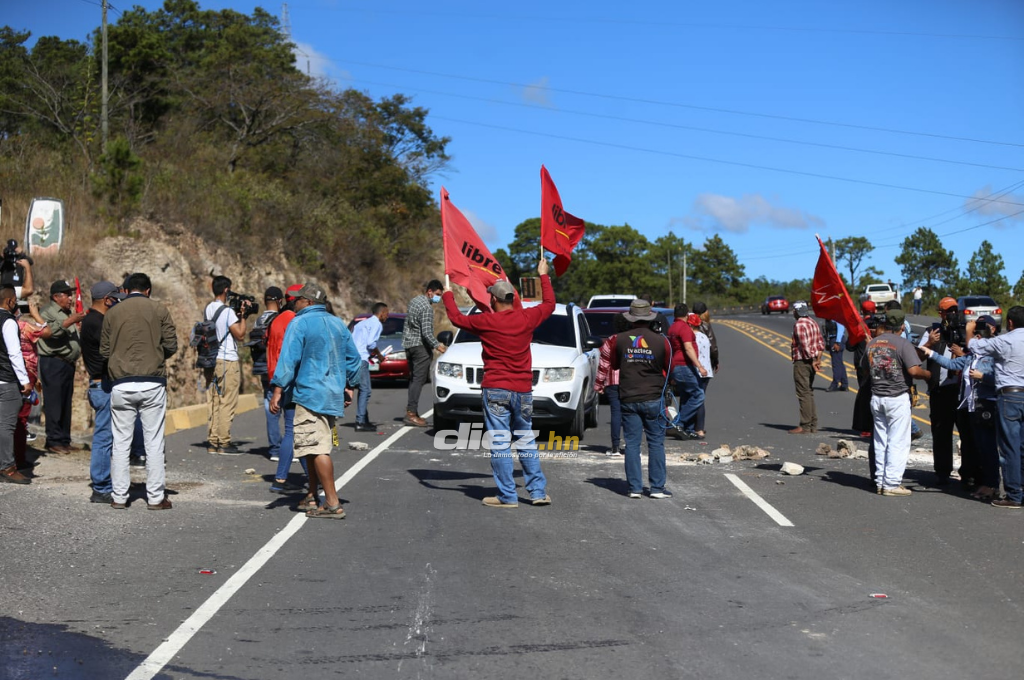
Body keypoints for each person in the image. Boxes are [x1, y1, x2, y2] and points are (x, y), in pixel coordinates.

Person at [441, 260, 556, 508]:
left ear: (493, 300)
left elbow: (456, 318)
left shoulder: (486, 322)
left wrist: (448, 293)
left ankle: (507, 496)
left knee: (500, 443)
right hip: (523, 389)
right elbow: (549, 305)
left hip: (496, 389)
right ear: (512, 299)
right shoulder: (527, 317)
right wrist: (543, 276)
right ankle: (537, 492)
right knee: (526, 439)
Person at [269, 283, 362, 519]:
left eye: (298, 300)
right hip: (331, 395)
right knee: (309, 445)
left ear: (309, 302)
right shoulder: (337, 323)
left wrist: (278, 390)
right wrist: (350, 386)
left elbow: (288, 359)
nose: (294, 303)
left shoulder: (299, 322)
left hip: (309, 394)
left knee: (317, 448)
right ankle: (312, 495)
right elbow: (354, 359)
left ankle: (332, 503)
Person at [100, 273, 177, 510]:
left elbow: (104, 351)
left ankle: (119, 497)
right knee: (153, 442)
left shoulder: (112, 313)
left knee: (120, 442)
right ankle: (155, 498)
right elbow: (171, 345)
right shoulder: (160, 309)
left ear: (125, 290)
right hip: (152, 382)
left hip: (121, 383)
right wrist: (153, 355)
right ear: (148, 290)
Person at [922, 315, 1000, 501]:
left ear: (980, 340)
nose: (969, 341)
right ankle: (983, 483)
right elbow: (950, 363)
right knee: (977, 446)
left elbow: (1000, 379)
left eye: (972, 337)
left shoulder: (991, 358)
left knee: (986, 448)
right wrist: (930, 352)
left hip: (985, 406)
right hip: (969, 407)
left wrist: (984, 377)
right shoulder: (971, 357)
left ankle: (991, 484)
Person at [863, 307, 930, 496]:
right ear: (902, 325)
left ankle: (880, 481)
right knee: (898, 442)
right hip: (897, 397)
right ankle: (891, 484)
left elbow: (865, 369)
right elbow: (914, 371)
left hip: (877, 396)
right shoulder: (903, 344)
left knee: (880, 440)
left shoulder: (873, 343)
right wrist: (927, 375)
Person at [612, 299, 674, 499]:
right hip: (653, 396)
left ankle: (634, 488)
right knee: (656, 443)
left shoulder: (619, 339)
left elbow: (614, 364)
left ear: (631, 318)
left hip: (629, 397)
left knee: (632, 444)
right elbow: (669, 367)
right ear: (650, 317)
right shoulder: (661, 340)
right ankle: (656, 488)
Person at [965, 306, 1024, 509]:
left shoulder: (1005, 340)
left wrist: (970, 329)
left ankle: (1014, 494)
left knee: (1010, 447)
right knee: (1023, 447)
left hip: (1010, 395)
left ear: (1009, 323)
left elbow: (974, 346)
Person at [80, 281, 126, 504]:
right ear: (106, 299)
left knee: (108, 437)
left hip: (103, 385)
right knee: (104, 438)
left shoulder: (94, 319)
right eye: (115, 298)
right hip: (103, 385)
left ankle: (106, 483)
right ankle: (100, 487)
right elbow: (114, 346)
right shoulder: (95, 322)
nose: (117, 301)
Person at [265, 284, 308, 494]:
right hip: (289, 381)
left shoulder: (276, 320)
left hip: (275, 378)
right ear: (296, 300)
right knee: (295, 430)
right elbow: (291, 355)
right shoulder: (295, 320)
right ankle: (282, 478)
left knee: (294, 430)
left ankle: (298, 477)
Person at [37, 279, 86, 454]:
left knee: (65, 402)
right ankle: (53, 441)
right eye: (67, 294)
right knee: (54, 402)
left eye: (71, 294)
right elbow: (51, 333)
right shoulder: (47, 312)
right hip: (53, 362)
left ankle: (64, 439)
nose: (71, 298)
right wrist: (71, 321)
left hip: (67, 363)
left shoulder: (67, 313)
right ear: (56, 297)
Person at [204, 275, 251, 455]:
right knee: (227, 402)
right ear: (226, 290)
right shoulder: (228, 312)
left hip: (211, 360)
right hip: (227, 361)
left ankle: (212, 442)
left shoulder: (208, 308)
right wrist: (243, 317)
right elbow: (239, 335)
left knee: (214, 401)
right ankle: (224, 443)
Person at [920, 297, 963, 485]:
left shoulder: (965, 331)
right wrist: (929, 343)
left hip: (961, 391)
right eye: (948, 311)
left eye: (955, 310)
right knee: (941, 432)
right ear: (941, 313)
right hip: (940, 390)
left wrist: (962, 351)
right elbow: (917, 355)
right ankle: (943, 472)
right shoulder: (932, 331)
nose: (952, 314)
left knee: (967, 434)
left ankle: (969, 473)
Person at [0, 286, 33, 484]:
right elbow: (14, 353)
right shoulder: (8, 322)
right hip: (7, 381)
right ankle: (8, 467)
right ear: (10, 301)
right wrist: (25, 381)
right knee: (6, 426)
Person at [402, 280, 447, 427]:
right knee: (418, 380)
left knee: (414, 379)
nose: (438, 298)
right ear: (430, 292)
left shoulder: (414, 301)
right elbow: (427, 333)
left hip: (409, 345)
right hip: (420, 347)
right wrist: (438, 346)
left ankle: (411, 410)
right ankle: (411, 413)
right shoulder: (427, 308)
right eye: (438, 295)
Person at [251, 287, 283, 459]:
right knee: (286, 408)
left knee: (269, 406)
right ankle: (284, 448)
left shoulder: (258, 320)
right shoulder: (279, 319)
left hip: (263, 369)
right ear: (280, 301)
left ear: (264, 301)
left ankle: (274, 449)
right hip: (277, 368)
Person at [666, 303, 707, 438]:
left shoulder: (672, 328)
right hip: (684, 365)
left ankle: (687, 429)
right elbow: (688, 348)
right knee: (698, 395)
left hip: (675, 366)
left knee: (686, 396)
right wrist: (699, 366)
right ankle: (678, 422)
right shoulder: (683, 328)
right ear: (686, 314)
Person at [595, 313, 630, 456]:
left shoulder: (611, 340)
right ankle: (631, 446)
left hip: (613, 381)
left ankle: (615, 447)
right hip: (631, 382)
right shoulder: (634, 340)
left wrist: (599, 384)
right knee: (630, 414)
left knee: (616, 413)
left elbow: (604, 364)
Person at [351, 302, 389, 432]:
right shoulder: (377, 324)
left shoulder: (361, 323)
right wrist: (379, 355)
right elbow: (371, 344)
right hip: (361, 359)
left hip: (352, 358)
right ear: (382, 312)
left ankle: (364, 419)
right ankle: (360, 422)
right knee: (366, 390)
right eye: (387, 314)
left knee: (362, 390)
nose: (387, 317)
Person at [789, 300, 824, 434]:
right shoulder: (812, 322)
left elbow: (805, 346)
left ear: (796, 312)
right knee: (809, 391)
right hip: (813, 360)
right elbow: (821, 343)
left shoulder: (799, 324)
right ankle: (812, 424)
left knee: (803, 393)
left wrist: (811, 360)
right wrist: (818, 359)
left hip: (803, 362)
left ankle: (805, 425)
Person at [689, 313, 713, 439]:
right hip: (707, 371)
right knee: (700, 398)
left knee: (696, 399)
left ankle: (698, 428)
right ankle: (699, 427)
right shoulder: (704, 337)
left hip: (698, 370)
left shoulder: (692, 337)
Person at [692, 301, 719, 375]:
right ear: (705, 313)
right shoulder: (706, 326)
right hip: (703, 365)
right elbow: (713, 348)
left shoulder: (688, 324)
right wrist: (715, 360)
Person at [824, 319, 848, 392]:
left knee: (836, 363)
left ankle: (835, 383)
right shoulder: (828, 317)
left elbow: (841, 328)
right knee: (839, 362)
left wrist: (837, 342)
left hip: (837, 339)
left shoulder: (836, 316)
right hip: (832, 339)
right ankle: (844, 383)